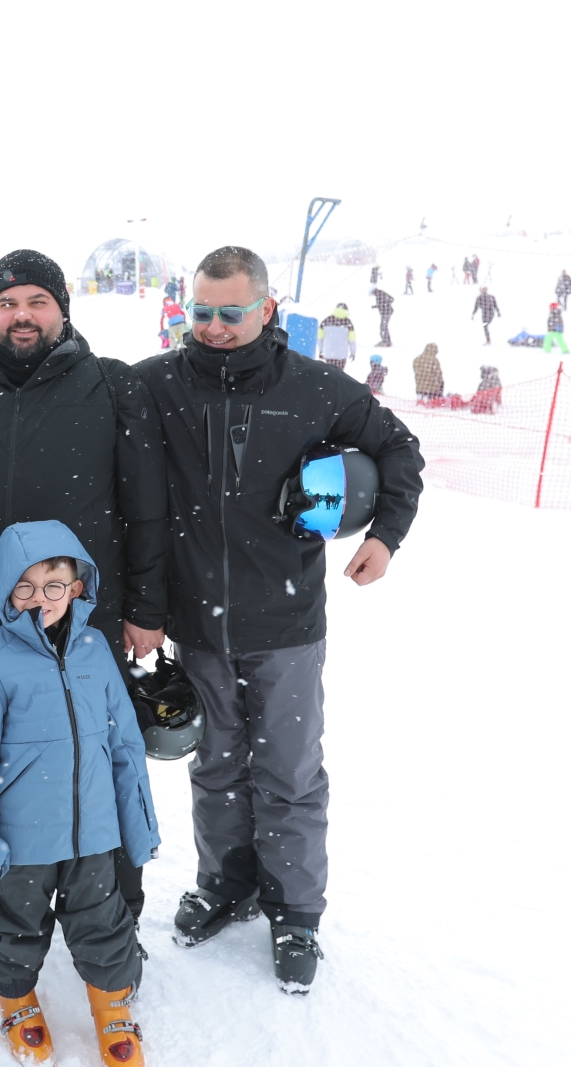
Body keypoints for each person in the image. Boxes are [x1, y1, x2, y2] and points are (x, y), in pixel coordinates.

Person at [131, 245, 423, 993]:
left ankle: (294, 913)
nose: (214, 326)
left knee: (289, 773)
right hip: (198, 626)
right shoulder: (158, 383)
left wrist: (385, 537)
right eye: (202, 312)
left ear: (266, 309)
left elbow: (399, 450)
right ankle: (225, 884)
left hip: (288, 626)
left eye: (231, 313)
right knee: (216, 766)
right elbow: (72, 393)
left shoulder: (316, 388)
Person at [0, 249, 168, 957]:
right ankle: (6, 902)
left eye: (37, 301)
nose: (21, 315)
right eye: (7, 303)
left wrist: (147, 607)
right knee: (2, 768)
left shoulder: (111, 385)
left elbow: (147, 506)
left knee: (100, 762)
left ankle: (114, 908)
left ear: (62, 308)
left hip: (83, 620)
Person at [0, 521, 157, 1066]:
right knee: (16, 924)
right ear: (6, 591)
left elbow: (124, 742)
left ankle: (112, 1006)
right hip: (23, 838)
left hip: (93, 829)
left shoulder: (95, 649)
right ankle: (17, 1001)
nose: (41, 599)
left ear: (77, 587)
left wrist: (137, 824)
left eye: (54, 585)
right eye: (26, 587)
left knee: (104, 921)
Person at [317, 303, 355, 368]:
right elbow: (352, 340)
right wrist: (353, 352)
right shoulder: (348, 322)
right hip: (342, 355)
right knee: (339, 373)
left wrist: (321, 351)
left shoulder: (326, 321)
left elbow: (320, 338)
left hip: (328, 353)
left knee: (329, 372)